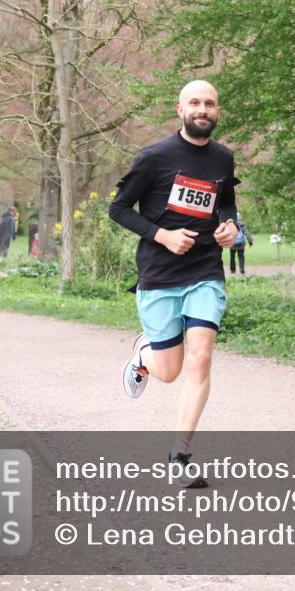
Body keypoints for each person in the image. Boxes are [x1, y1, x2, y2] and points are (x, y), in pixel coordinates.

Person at [109, 80, 239, 488]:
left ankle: (180, 456)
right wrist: (162, 235)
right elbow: (118, 208)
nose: (203, 109)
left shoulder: (223, 158)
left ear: (218, 111)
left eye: (210, 103)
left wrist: (231, 225)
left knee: (201, 359)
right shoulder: (155, 157)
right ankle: (144, 354)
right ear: (179, 109)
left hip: (205, 270)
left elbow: (225, 201)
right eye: (194, 102)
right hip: (160, 273)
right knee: (168, 372)